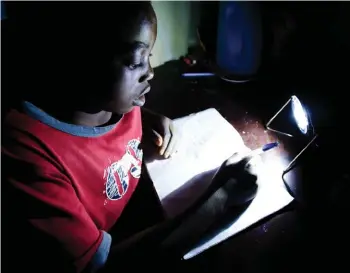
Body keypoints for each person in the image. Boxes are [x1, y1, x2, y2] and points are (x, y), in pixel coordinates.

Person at [2, 2, 259, 273]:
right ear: (78, 63)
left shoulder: (104, 100)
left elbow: (103, 113)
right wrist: (219, 200)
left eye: (149, 56)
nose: (150, 72)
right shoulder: (27, 156)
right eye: (136, 61)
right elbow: (103, 266)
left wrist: (142, 117)